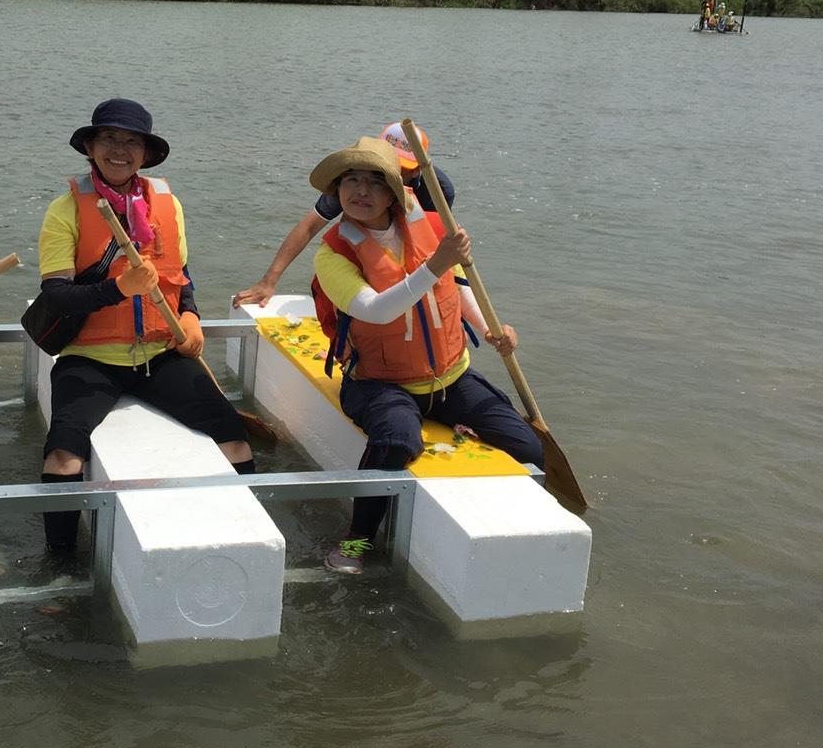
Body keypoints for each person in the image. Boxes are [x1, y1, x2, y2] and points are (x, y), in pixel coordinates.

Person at [307, 137, 542, 575]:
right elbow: (374, 311)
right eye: (350, 181)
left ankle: (513, 533)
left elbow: (456, 285)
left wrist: (492, 329)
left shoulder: (428, 227)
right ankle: (357, 539)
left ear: (395, 192)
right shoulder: (332, 252)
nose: (360, 191)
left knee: (528, 446)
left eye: (374, 182)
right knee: (397, 441)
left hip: (450, 378)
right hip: (379, 383)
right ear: (336, 191)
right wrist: (436, 263)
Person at [34, 98, 253, 550]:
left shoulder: (167, 204)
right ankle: (59, 561)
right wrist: (119, 289)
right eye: (110, 139)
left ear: (146, 153)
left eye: (132, 142)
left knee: (236, 440)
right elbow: (56, 296)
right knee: (62, 454)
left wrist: (190, 317)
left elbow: (181, 276)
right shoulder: (66, 209)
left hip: (159, 353)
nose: (120, 150)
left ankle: (242, 532)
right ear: (90, 146)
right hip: (89, 358)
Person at [233, 121, 455, 307]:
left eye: (400, 168)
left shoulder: (437, 191)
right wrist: (269, 280)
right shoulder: (359, 179)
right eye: (386, 164)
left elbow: (428, 245)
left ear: (417, 169)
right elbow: (309, 226)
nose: (391, 171)